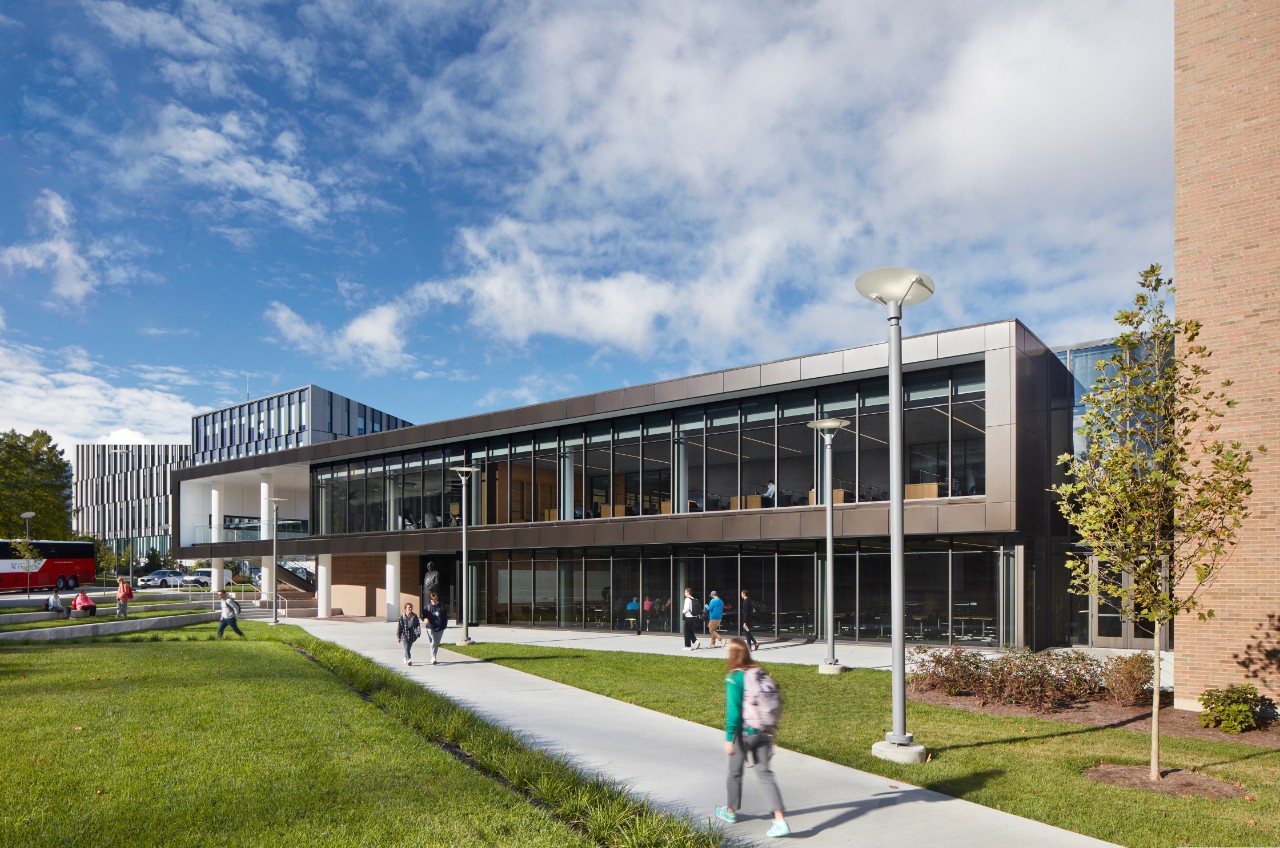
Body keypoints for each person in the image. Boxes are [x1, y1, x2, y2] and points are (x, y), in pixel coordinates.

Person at [714, 637, 789, 838]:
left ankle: (730, 811)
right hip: (764, 730)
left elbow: (733, 712)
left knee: (735, 772)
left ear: (731, 655)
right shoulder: (757, 672)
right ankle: (780, 820)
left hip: (744, 732)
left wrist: (729, 739)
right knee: (765, 773)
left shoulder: (734, 677)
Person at [423, 591, 448, 665]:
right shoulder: (427, 607)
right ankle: (433, 657)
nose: (435, 600)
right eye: (433, 599)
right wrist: (425, 619)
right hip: (430, 627)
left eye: (436, 599)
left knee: (437, 643)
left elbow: (445, 617)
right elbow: (423, 616)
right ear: (430, 599)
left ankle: (434, 655)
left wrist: (444, 626)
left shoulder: (441, 607)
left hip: (440, 628)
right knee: (433, 642)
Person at [396, 602, 423, 666]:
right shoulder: (402, 617)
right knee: (406, 646)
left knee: (408, 647)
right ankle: (409, 659)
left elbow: (417, 625)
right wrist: (398, 636)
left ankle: (405, 658)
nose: (410, 608)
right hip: (404, 633)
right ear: (406, 609)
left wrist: (418, 632)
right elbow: (399, 627)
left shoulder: (414, 616)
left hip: (411, 633)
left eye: (411, 607)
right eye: (409, 607)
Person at [681, 586, 700, 650]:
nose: (684, 593)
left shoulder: (687, 599)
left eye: (685, 592)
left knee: (686, 632)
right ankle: (696, 641)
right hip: (694, 617)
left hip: (689, 617)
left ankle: (688, 646)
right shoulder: (693, 598)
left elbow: (686, 608)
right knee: (690, 631)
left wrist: (683, 611)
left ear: (688, 592)